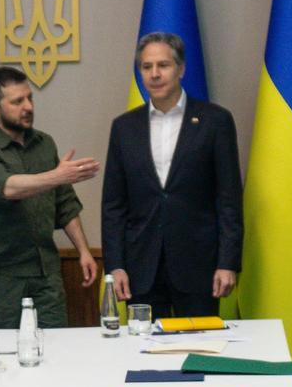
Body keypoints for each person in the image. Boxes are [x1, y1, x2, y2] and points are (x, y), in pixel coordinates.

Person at [101, 32, 243, 319]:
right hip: (141, 269)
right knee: (144, 355)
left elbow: (228, 198)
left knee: (200, 353)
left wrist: (228, 262)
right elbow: (113, 205)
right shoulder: (124, 128)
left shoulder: (215, 121)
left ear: (181, 69)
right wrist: (115, 265)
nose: (154, 74)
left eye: (163, 65)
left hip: (199, 266)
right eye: (146, 66)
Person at [0, 66, 99, 329]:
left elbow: (65, 205)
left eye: (29, 98)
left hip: (46, 275)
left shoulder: (45, 144)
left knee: (55, 353)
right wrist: (59, 175)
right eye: (17, 101)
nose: (28, 106)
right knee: (3, 358)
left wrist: (83, 251)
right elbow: (8, 188)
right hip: (0, 279)